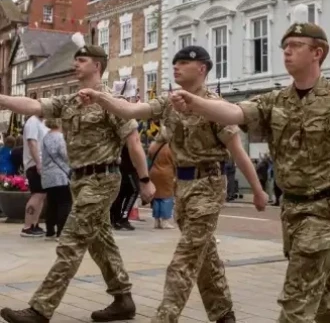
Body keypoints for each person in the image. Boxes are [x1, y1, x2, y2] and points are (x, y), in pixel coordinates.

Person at [78, 45, 268, 323]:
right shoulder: (169, 103)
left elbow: (238, 152)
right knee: (204, 255)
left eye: (183, 63)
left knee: (184, 260)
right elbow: (132, 109)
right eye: (175, 62)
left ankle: (165, 317)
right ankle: (223, 313)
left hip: (208, 185)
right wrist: (100, 97)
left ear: (201, 69)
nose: (175, 67)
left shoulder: (216, 107)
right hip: (183, 188)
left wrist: (259, 190)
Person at [168, 4, 330, 323]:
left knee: (296, 302)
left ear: (318, 53)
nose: (286, 53)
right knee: (323, 300)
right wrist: (196, 102)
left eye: (295, 46)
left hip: (323, 211)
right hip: (292, 211)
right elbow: (234, 113)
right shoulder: (274, 101)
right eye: (284, 47)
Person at [0, 32, 155, 323]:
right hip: (79, 180)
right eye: (75, 59)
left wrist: (145, 180)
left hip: (103, 179)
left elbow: (134, 143)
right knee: (100, 242)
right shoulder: (69, 101)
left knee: (70, 241)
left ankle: (40, 309)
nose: (75, 64)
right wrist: (4, 100)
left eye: (81, 60)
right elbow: (35, 106)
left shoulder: (112, 102)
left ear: (97, 65)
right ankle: (123, 299)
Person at [41, 119, 72, 240]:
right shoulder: (59, 137)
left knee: (52, 203)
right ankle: (61, 231)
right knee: (65, 203)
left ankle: (50, 231)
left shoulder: (46, 137)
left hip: (47, 175)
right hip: (60, 175)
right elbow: (65, 155)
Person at [21, 115, 49, 237]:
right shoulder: (33, 122)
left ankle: (34, 224)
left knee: (41, 195)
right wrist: (38, 163)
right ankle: (27, 226)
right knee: (37, 194)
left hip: (43, 163)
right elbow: (32, 143)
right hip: (35, 163)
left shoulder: (43, 122)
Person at [148, 127, 176, 229]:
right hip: (166, 173)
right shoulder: (170, 147)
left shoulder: (152, 146)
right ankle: (165, 220)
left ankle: (156, 220)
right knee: (167, 197)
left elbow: (149, 158)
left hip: (153, 173)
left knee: (156, 197)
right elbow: (175, 162)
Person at [110, 143, 140, 231]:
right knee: (134, 191)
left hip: (122, 169)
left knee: (121, 193)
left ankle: (115, 219)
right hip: (129, 169)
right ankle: (123, 218)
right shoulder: (129, 138)